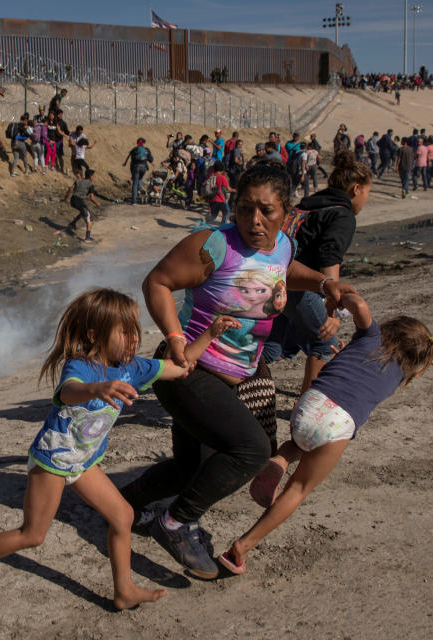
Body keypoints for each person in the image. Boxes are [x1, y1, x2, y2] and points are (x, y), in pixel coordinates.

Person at [118, 163, 355, 577]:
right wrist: (175, 339)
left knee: (189, 466)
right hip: (190, 368)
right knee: (251, 451)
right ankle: (175, 522)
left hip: (239, 373)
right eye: (244, 208)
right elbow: (156, 282)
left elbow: (284, 271)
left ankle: (123, 506)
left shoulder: (282, 244)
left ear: (286, 210)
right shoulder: (214, 245)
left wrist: (323, 283)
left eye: (266, 210)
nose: (254, 220)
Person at [0, 288, 241, 609]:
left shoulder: (134, 368)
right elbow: (69, 392)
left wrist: (210, 333)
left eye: (135, 332)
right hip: (52, 460)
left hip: (83, 462)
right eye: (124, 332)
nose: (133, 340)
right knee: (33, 535)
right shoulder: (81, 367)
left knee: (123, 516)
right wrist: (98, 387)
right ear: (95, 334)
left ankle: (123, 591)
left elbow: (180, 367)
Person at [219, 294, 433, 575]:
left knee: (299, 442)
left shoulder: (369, 337)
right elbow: (364, 381)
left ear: (392, 328)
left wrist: (335, 300)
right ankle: (242, 546)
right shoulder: (396, 377)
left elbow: (358, 305)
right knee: (298, 488)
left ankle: (281, 460)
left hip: (310, 404)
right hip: (337, 422)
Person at [263, 151, 372, 394]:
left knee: (272, 348)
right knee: (325, 343)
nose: (365, 200)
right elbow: (329, 258)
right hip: (298, 285)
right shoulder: (342, 215)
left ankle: (231, 381)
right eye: (367, 193)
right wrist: (332, 307)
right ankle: (307, 406)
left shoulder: (309, 205)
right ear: (356, 189)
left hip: (271, 276)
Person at [63, 168, 100, 242]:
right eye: (93, 176)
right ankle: (87, 237)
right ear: (90, 176)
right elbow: (92, 198)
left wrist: (65, 199)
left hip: (73, 200)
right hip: (79, 201)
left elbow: (70, 189)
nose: (94, 177)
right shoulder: (90, 185)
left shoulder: (78, 181)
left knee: (84, 211)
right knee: (90, 218)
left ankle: (72, 224)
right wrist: (97, 203)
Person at [122, 137, 153, 204]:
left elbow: (129, 156)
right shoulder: (146, 150)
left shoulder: (135, 149)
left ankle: (134, 201)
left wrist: (125, 163)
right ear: (144, 143)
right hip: (144, 168)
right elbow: (151, 159)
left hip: (136, 167)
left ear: (137, 143)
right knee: (140, 178)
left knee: (135, 183)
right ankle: (139, 190)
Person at [202, 161, 233, 225]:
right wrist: (236, 190)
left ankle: (205, 222)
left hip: (211, 199)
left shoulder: (211, 177)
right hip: (220, 200)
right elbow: (228, 189)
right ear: (222, 169)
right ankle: (223, 225)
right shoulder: (222, 177)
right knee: (226, 212)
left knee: (214, 215)